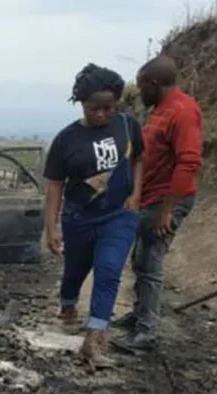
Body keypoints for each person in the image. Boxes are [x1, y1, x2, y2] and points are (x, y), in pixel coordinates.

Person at [43, 63, 144, 370]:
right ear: (81, 104)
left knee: (109, 270)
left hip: (118, 215)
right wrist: (51, 227)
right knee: (75, 270)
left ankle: (94, 337)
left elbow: (138, 159)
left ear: (116, 104)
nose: (101, 114)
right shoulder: (67, 139)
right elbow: (55, 185)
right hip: (79, 217)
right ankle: (68, 302)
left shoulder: (127, 125)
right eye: (93, 109)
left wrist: (136, 194)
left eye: (108, 108)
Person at [111, 55, 202, 353]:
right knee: (140, 259)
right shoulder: (161, 109)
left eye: (141, 86)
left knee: (151, 263)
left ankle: (146, 332)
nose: (139, 92)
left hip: (167, 202)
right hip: (151, 199)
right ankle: (139, 315)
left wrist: (166, 210)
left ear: (154, 83)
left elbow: (188, 163)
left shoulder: (183, 112)